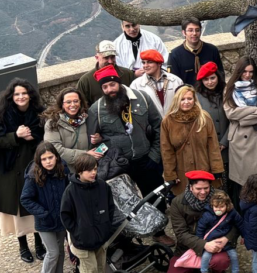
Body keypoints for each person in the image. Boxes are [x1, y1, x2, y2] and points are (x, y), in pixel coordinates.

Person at [86, 66, 164, 195]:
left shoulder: (142, 98)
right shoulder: (96, 110)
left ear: (119, 83)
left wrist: (154, 156)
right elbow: (95, 143)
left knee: (156, 199)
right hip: (118, 166)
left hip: (146, 159)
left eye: (112, 84)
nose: (110, 90)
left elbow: (159, 127)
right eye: (105, 87)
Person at [166, 170, 236, 273]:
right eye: (198, 189)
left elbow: (235, 222)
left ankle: (218, 271)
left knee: (220, 261)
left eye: (206, 188)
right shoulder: (177, 202)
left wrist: (226, 238)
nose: (203, 192)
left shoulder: (221, 197)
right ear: (190, 187)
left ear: (210, 186)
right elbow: (181, 233)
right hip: (188, 246)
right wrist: (203, 245)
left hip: (215, 243)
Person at [160, 85, 225, 196]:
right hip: (182, 173)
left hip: (204, 169)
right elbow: (167, 151)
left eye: (189, 99)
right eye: (182, 99)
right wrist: (170, 175)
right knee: (185, 205)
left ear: (194, 100)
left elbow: (213, 146)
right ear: (177, 100)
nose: (186, 102)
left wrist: (217, 169)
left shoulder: (204, 117)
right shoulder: (168, 121)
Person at [223, 57, 257, 203]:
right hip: (238, 139)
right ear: (239, 71)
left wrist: (242, 119)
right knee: (240, 181)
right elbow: (230, 113)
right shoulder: (229, 88)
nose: (248, 75)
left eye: (251, 72)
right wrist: (253, 109)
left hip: (256, 136)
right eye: (244, 71)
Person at [60, 154, 116, 273]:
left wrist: (106, 226)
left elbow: (110, 207)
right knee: (90, 272)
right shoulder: (70, 191)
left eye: (95, 169)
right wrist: (78, 232)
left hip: (101, 239)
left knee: (101, 270)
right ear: (79, 171)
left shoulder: (103, 186)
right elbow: (65, 215)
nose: (93, 173)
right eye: (89, 170)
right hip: (83, 242)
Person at [20, 143, 69, 273]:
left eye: (50, 157)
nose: (48, 161)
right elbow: (25, 199)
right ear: (39, 160)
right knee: (53, 253)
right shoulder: (32, 175)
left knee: (60, 251)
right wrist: (43, 213)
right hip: (44, 222)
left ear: (56, 157)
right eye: (44, 159)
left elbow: (69, 190)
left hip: (61, 220)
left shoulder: (63, 169)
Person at [42, 87, 98, 166]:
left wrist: (98, 138)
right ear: (62, 104)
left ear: (80, 102)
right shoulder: (53, 122)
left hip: (87, 168)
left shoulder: (88, 118)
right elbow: (54, 149)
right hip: (65, 169)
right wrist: (85, 155)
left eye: (76, 101)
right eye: (68, 102)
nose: (73, 105)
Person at [76, 40, 135, 107]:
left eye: (112, 57)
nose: (110, 61)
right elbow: (81, 105)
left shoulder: (128, 74)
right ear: (97, 58)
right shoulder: (85, 81)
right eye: (106, 58)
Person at [167, 18, 223, 87]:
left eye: (197, 30)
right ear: (184, 32)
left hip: (211, 93)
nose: (194, 33)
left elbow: (220, 74)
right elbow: (174, 81)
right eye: (190, 30)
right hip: (188, 95)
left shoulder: (212, 50)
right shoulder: (175, 55)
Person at [196, 190, 241, 273]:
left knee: (234, 256)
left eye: (221, 207)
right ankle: (204, 272)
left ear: (227, 206)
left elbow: (240, 224)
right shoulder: (207, 215)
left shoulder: (232, 213)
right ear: (212, 205)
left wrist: (244, 236)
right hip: (210, 242)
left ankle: (235, 272)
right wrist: (201, 243)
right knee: (206, 256)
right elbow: (200, 229)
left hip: (226, 243)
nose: (218, 209)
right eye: (216, 207)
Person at [195, 63, 229, 172]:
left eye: (212, 78)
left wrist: (224, 142)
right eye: (206, 79)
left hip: (228, 144)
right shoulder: (196, 97)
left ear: (218, 77)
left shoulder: (227, 93)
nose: (210, 82)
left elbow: (234, 120)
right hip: (207, 148)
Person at [131, 49, 184, 117]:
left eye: (149, 62)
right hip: (151, 126)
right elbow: (135, 109)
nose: (145, 65)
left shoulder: (176, 81)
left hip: (174, 124)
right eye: (143, 62)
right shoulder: (136, 85)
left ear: (159, 63)